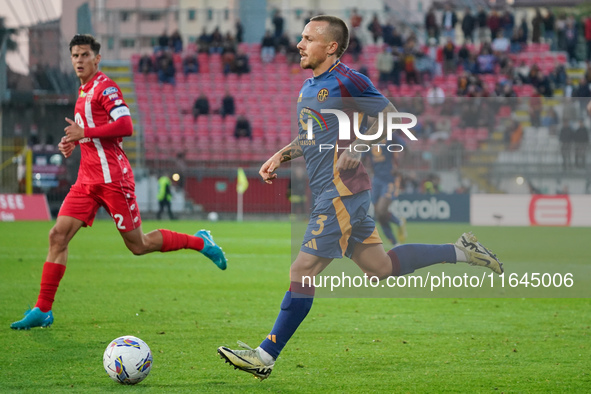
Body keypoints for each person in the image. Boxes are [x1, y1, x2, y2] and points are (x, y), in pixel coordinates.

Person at [217, 15, 503, 380]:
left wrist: (362, 144)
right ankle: (462, 250)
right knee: (380, 268)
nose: (300, 44)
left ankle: (265, 355)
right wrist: (280, 155)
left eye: (308, 38)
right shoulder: (309, 86)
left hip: (342, 190)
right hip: (333, 192)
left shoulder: (348, 80)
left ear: (331, 46)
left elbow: (393, 117)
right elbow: (310, 137)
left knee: (301, 270)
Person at [10, 34, 227, 330]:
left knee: (138, 245)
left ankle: (201, 241)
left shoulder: (106, 87)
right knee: (57, 236)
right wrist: (74, 141)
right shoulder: (83, 90)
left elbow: (126, 126)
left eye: (84, 55)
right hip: (86, 180)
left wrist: (84, 131)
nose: (79, 60)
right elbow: (90, 132)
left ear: (96, 59)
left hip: (113, 179)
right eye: (74, 55)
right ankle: (43, 309)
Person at [364, 146, 407, 246]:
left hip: (390, 179)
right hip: (376, 180)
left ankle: (398, 221)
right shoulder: (368, 139)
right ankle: (396, 244)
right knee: (379, 216)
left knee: (381, 210)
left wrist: (399, 167)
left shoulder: (389, 136)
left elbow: (406, 148)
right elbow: (362, 156)